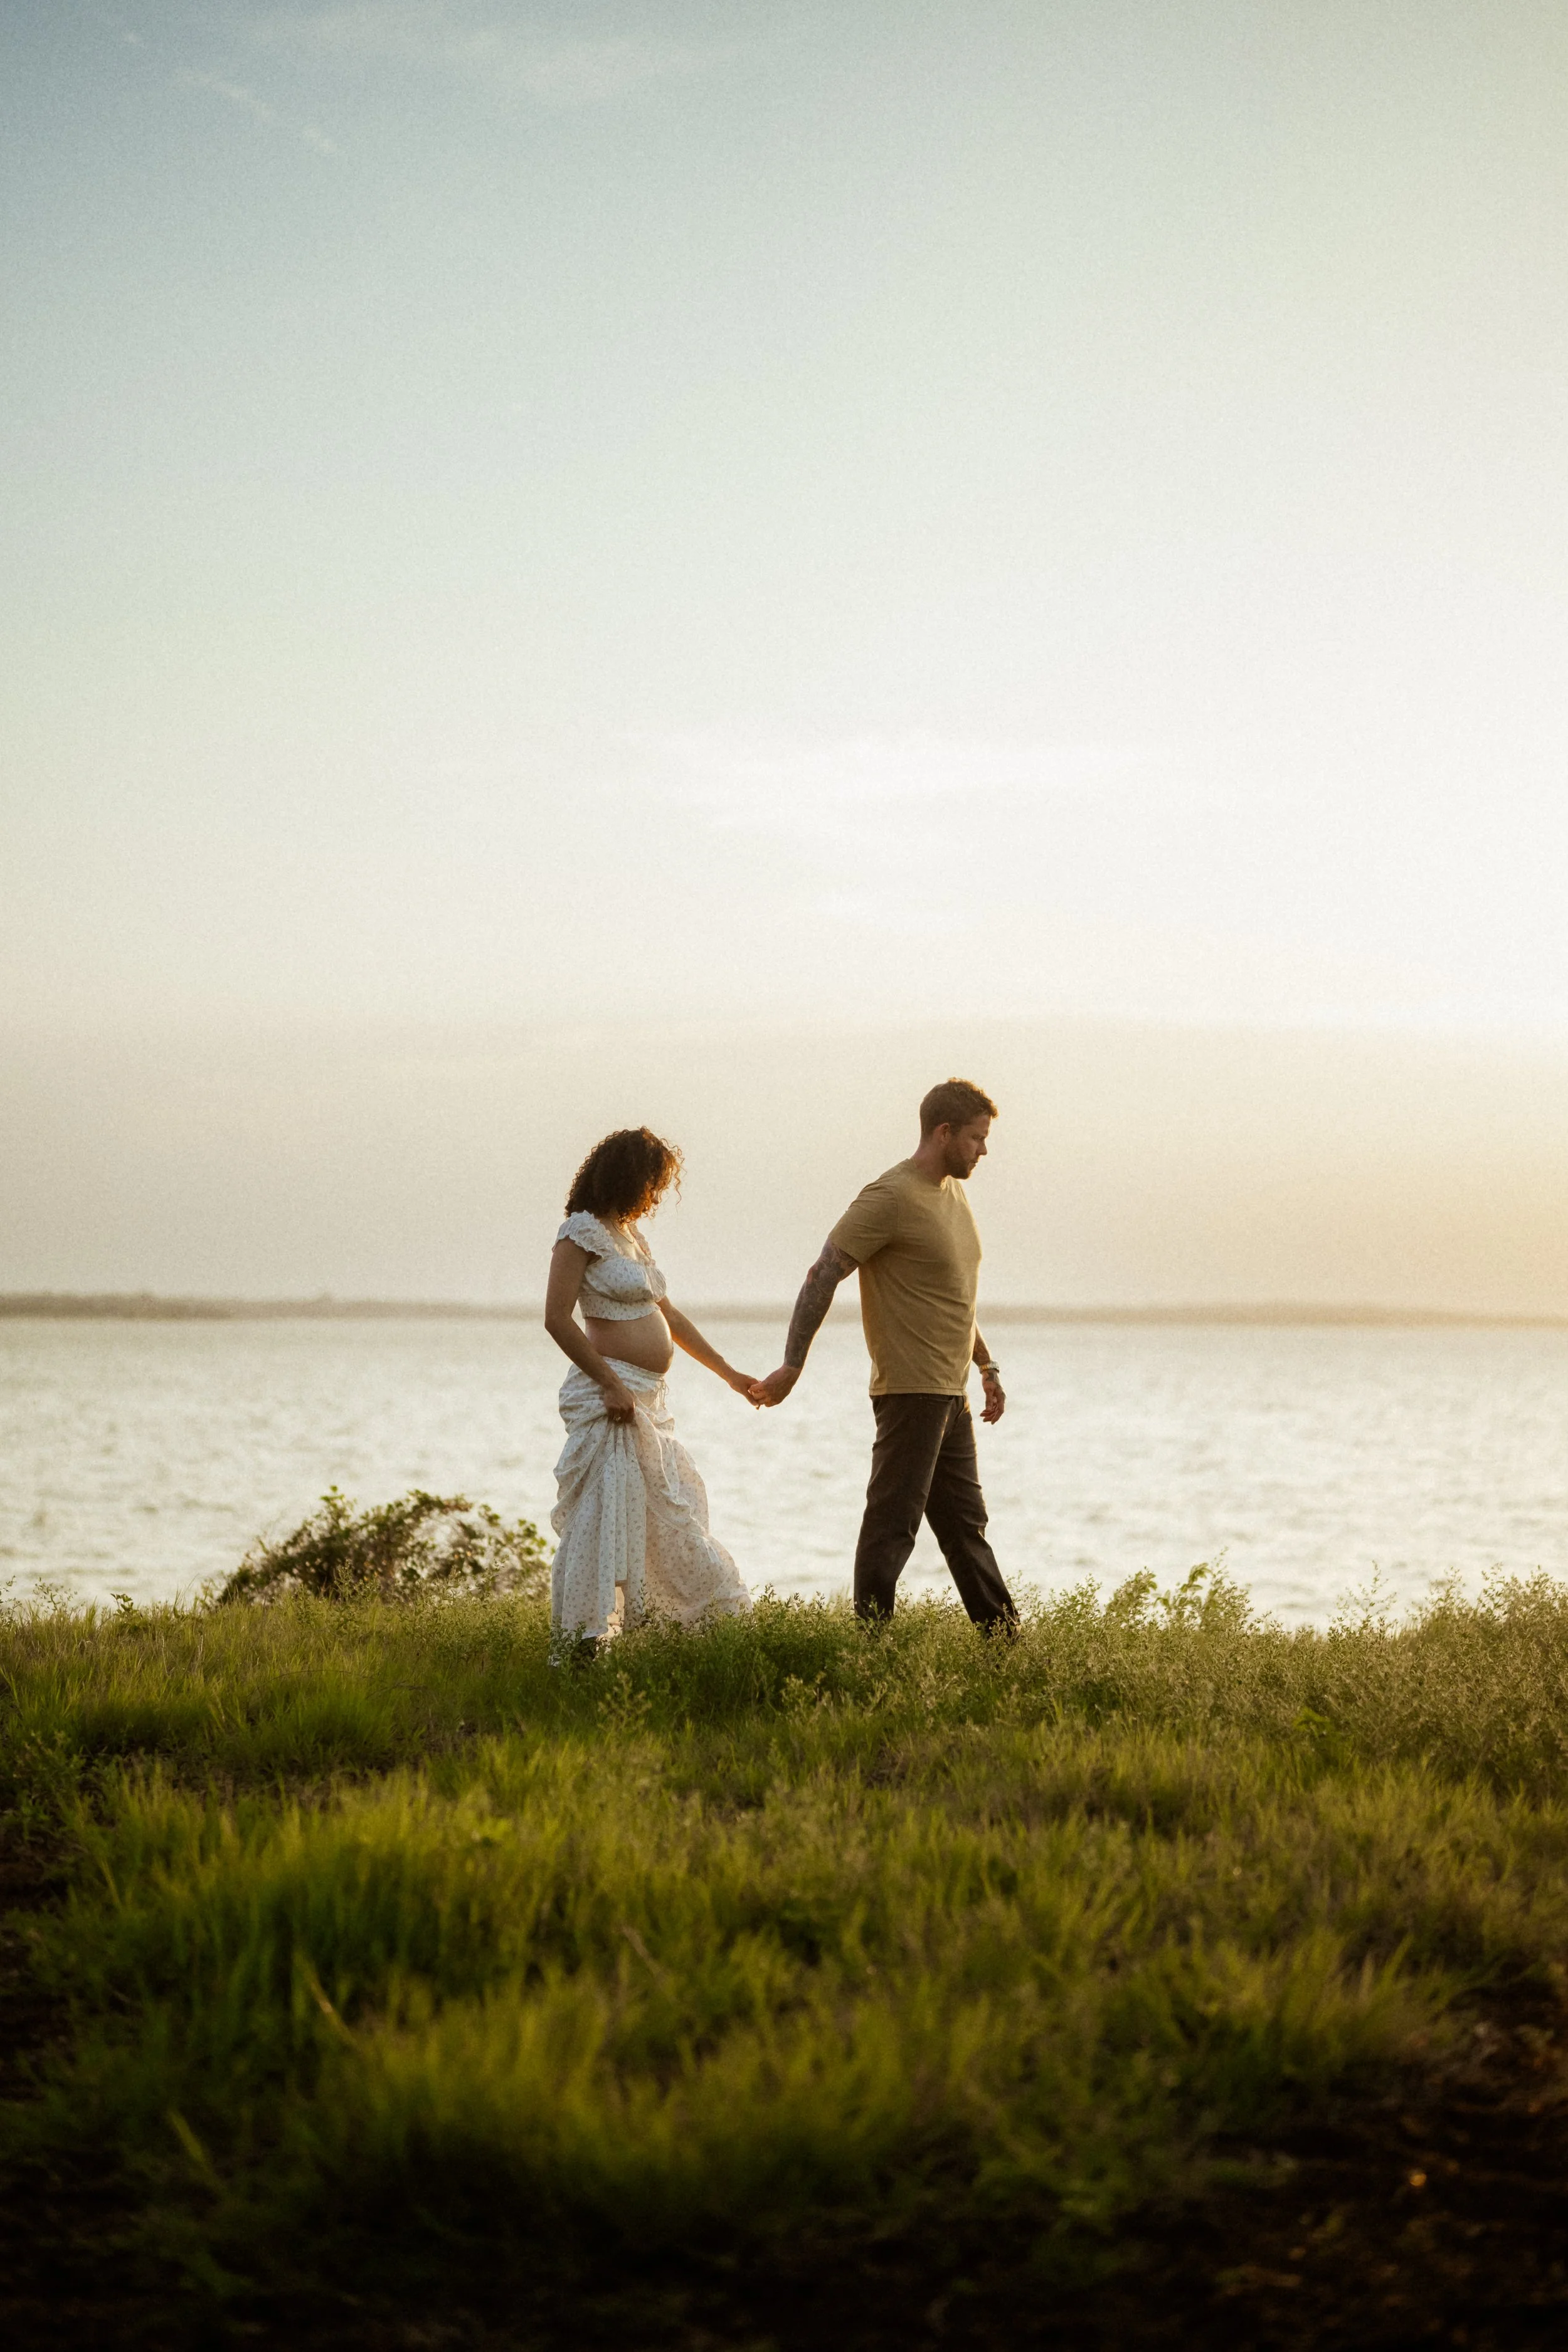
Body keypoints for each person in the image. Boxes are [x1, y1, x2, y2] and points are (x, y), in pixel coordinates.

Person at [751, 1078, 1017, 1631]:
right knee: (892, 1529)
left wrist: (986, 1367)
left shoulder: (954, 1194)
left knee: (966, 1530)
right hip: (909, 1393)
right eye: (976, 1138)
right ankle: (869, 1647)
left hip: (952, 1396)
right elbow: (823, 1273)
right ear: (943, 1133)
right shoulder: (889, 1197)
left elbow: (954, 1299)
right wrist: (793, 1365)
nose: (984, 1150)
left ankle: (1008, 1646)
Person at [544, 1126, 753, 1648]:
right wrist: (611, 1384)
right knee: (604, 1520)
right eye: (651, 1183)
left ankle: (672, 1632)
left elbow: (671, 1318)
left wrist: (730, 1374)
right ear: (626, 1176)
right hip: (611, 1399)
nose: (655, 1196)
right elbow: (557, 1319)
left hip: (650, 1401)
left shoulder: (632, 1238)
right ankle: (586, 1641)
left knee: (669, 1514)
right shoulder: (580, 1232)